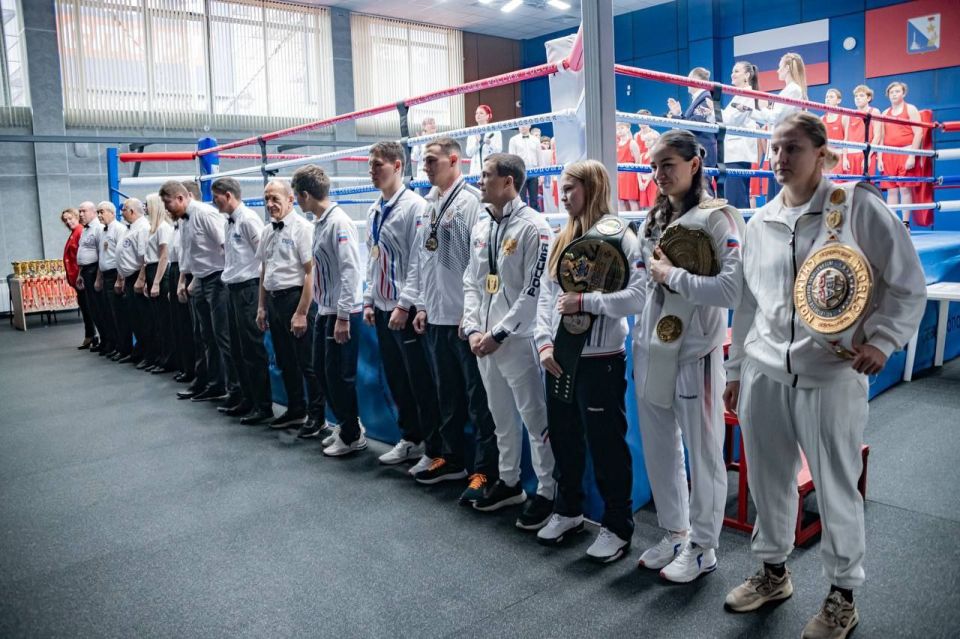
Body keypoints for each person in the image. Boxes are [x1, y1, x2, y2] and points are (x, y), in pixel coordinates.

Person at [723, 112, 926, 639]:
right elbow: (747, 305)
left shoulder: (856, 208)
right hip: (766, 371)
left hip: (831, 373)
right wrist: (736, 367)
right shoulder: (760, 219)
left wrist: (883, 340)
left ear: (820, 152)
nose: (779, 159)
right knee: (768, 480)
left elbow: (907, 283)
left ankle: (842, 595)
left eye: (791, 148)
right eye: (773, 149)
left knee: (836, 487)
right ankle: (773, 572)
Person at [631, 129, 743, 582]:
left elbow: (731, 289)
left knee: (703, 452)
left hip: (696, 352)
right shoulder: (650, 218)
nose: (659, 174)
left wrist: (674, 275)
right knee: (660, 448)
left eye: (668, 165)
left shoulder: (720, 218)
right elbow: (642, 282)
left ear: (694, 163)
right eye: (654, 166)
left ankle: (704, 546)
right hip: (649, 348)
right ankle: (676, 532)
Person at [534, 160, 642, 562]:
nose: (564, 198)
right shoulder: (562, 237)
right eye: (561, 190)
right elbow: (547, 297)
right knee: (564, 438)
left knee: (606, 444)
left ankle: (617, 526)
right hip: (560, 357)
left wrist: (587, 300)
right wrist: (543, 343)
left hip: (602, 359)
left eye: (571, 189)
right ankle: (569, 510)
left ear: (593, 188)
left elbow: (637, 298)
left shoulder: (622, 237)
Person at [462, 153, 556, 527]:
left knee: (535, 420)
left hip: (517, 341)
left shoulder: (535, 227)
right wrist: (472, 328)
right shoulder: (482, 226)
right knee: (501, 419)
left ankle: (547, 491)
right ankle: (510, 481)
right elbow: (472, 281)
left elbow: (534, 292)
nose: (480, 181)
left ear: (508, 182)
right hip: (483, 341)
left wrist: (499, 333)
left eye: (487, 176)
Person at [407, 137, 500, 506]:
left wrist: (472, 315)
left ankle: (484, 470)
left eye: (432, 161)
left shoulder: (471, 204)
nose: (426, 167)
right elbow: (425, 260)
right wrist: (423, 305)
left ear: (454, 160)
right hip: (438, 316)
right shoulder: (430, 204)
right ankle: (452, 457)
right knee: (448, 396)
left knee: (479, 401)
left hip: (466, 319)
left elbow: (482, 265)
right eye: (425, 161)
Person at [363, 141, 439, 465]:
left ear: (397, 166)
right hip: (381, 307)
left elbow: (419, 261)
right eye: (370, 165)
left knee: (419, 380)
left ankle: (434, 449)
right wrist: (368, 299)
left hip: (403, 309)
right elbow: (372, 258)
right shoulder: (374, 209)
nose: (371, 170)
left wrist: (405, 304)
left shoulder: (414, 207)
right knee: (396, 377)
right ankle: (411, 438)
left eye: (377, 164)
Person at [292, 164, 367, 456]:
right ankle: (348, 425)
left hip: (341, 310)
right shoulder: (321, 223)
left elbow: (351, 271)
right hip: (326, 309)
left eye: (298, 198)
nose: (298, 204)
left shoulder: (339, 222)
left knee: (340, 376)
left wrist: (344, 316)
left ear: (307, 195)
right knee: (324, 374)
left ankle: (351, 435)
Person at [256, 180, 326, 432]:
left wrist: (302, 312)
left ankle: (317, 416)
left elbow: (311, 273)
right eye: (266, 199)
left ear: (290, 200)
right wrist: (261, 307)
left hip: (296, 299)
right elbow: (264, 270)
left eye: (275, 198)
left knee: (307, 363)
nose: (269, 204)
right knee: (285, 360)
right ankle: (296, 409)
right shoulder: (266, 231)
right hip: (274, 300)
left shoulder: (303, 229)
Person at [161, 180, 238, 403]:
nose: (167, 208)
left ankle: (234, 390)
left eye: (168, 203)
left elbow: (227, 246)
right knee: (204, 337)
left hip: (217, 279)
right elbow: (188, 252)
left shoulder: (205, 214)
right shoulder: (183, 219)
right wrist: (185, 279)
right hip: (200, 279)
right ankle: (212, 384)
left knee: (222, 337)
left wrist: (225, 277)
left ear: (181, 198)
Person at [212, 177, 273, 423]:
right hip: (233, 289)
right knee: (237, 349)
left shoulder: (248, 219)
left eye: (216, 196)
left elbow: (264, 257)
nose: (213, 201)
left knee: (252, 350)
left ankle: (263, 405)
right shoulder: (229, 221)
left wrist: (261, 298)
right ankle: (248, 399)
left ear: (227, 195)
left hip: (249, 289)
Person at [748, 52, 807, 200]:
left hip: (785, 148)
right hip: (779, 147)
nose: (777, 70)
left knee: (782, 198)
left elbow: (774, 117)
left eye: (779, 67)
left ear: (787, 68)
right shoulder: (788, 90)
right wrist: (750, 111)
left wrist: (758, 109)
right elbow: (773, 118)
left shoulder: (793, 89)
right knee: (775, 199)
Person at [878, 81, 923, 226]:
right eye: (891, 92)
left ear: (903, 93)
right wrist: (880, 158)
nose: (894, 94)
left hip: (906, 151)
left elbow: (919, 133)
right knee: (891, 190)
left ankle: (905, 223)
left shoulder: (910, 109)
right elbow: (882, 138)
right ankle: (893, 223)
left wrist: (912, 155)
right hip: (889, 154)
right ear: (888, 95)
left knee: (904, 189)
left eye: (897, 91)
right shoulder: (885, 113)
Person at [141, 194, 175, 373]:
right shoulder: (152, 229)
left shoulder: (163, 228)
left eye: (146, 205)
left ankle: (168, 360)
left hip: (160, 272)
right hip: (151, 270)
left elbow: (164, 256)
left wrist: (156, 283)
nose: (144, 208)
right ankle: (161, 357)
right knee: (156, 320)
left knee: (164, 320)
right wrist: (148, 281)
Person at [115, 198, 151, 367]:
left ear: (132, 211)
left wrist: (141, 279)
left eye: (124, 209)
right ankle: (139, 352)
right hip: (129, 277)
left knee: (144, 319)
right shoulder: (129, 229)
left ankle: (148, 355)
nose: (121, 212)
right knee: (134, 318)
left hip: (138, 276)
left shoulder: (143, 227)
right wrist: (121, 278)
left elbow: (144, 257)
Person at [720, 61, 761, 208]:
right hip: (732, 153)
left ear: (747, 75)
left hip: (738, 153)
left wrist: (715, 110)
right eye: (732, 71)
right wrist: (713, 113)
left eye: (736, 71)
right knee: (734, 199)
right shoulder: (738, 96)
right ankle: (740, 230)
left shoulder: (748, 95)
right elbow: (725, 119)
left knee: (737, 201)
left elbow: (732, 120)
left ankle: (742, 230)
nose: (732, 74)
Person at [166, 200, 197, 385]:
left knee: (192, 328)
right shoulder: (176, 228)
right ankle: (187, 368)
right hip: (179, 272)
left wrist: (187, 280)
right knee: (181, 325)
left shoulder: (195, 223)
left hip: (192, 273)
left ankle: (194, 371)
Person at [75, 201, 111, 356]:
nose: (80, 214)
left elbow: (100, 255)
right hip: (86, 272)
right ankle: (103, 340)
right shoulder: (85, 230)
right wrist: (79, 274)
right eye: (79, 211)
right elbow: (84, 252)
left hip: (95, 270)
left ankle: (109, 342)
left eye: (83, 211)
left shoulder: (98, 228)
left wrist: (98, 278)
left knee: (101, 310)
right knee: (93, 310)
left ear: (93, 212)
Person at [667, 68, 718, 175]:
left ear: (695, 80)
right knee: (698, 188)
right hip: (698, 150)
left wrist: (674, 118)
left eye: (689, 78)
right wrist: (678, 114)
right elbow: (692, 123)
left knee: (703, 187)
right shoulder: (699, 98)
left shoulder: (705, 98)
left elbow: (695, 124)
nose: (686, 81)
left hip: (703, 150)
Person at [95, 201, 128, 361]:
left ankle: (124, 348)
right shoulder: (102, 231)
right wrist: (99, 278)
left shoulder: (120, 229)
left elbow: (121, 255)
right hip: (105, 275)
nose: (99, 215)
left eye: (102, 212)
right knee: (108, 314)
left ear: (112, 213)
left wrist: (120, 279)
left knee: (119, 315)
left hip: (116, 274)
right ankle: (115, 345)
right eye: (98, 212)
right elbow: (102, 256)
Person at [61, 207, 97, 350]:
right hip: (78, 278)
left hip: (82, 277)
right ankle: (90, 335)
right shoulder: (74, 233)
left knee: (88, 308)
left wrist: (79, 276)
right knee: (85, 307)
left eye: (70, 218)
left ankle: (91, 336)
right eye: (65, 220)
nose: (68, 222)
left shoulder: (79, 232)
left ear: (77, 217)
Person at [845, 85, 882, 176]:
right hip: (851, 154)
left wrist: (868, 156)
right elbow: (845, 138)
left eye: (861, 96)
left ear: (868, 98)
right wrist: (845, 158)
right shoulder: (849, 114)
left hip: (866, 152)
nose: (858, 98)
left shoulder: (874, 111)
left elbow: (877, 136)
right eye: (856, 96)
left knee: (866, 185)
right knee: (851, 186)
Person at [508, 124, 542, 210]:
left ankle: (536, 222)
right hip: (520, 173)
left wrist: (542, 175)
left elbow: (539, 157)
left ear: (529, 125)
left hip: (534, 172)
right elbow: (512, 159)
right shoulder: (513, 140)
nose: (522, 126)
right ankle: (523, 221)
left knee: (534, 200)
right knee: (521, 201)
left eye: (524, 124)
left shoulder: (535, 140)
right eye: (520, 125)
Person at [466, 105, 502, 176]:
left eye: (481, 113)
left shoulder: (495, 131)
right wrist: (476, 143)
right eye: (476, 113)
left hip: (490, 169)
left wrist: (490, 144)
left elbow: (498, 151)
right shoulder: (472, 132)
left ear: (488, 116)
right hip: (475, 171)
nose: (478, 115)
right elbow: (469, 153)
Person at [821, 89, 849, 174]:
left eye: (831, 97)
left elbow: (846, 139)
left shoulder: (844, 117)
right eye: (826, 97)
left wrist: (845, 158)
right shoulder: (822, 119)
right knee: (825, 185)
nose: (828, 99)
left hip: (839, 156)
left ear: (838, 100)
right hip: (826, 157)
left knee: (838, 185)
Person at [616, 121, 642, 211]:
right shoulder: (616, 144)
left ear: (628, 128)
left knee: (632, 199)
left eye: (622, 128)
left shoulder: (632, 143)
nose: (619, 131)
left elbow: (638, 161)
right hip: (619, 174)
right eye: (618, 129)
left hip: (630, 174)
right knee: (620, 200)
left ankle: (636, 223)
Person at [410, 116, 437, 195]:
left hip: (437, 177)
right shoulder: (420, 140)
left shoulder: (439, 139)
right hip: (424, 178)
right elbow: (414, 157)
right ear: (424, 127)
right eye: (430, 123)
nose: (433, 125)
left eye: (434, 123)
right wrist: (418, 144)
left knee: (438, 204)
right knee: (426, 204)